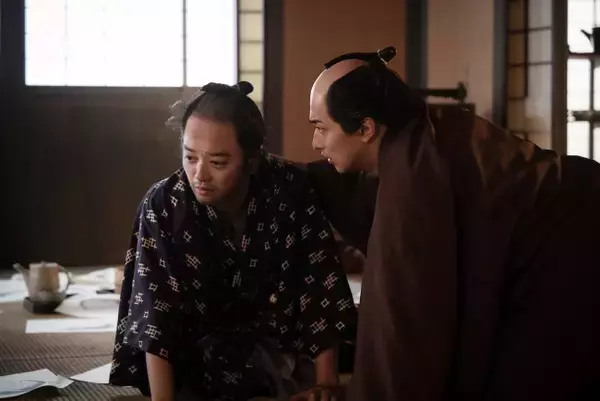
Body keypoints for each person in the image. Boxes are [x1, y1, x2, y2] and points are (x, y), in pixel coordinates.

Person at [304, 47, 600, 401]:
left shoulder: (412, 183)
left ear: (366, 127)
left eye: (321, 127)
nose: (315, 142)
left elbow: (405, 330)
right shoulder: (428, 132)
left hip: (579, 253)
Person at [109, 81, 357, 401]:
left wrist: (326, 383)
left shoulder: (288, 188)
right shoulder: (164, 204)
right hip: (195, 356)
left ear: (252, 159)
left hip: (277, 346)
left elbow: (318, 281)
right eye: (190, 157)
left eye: (218, 163)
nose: (199, 175)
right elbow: (155, 310)